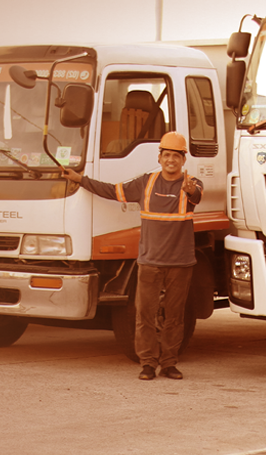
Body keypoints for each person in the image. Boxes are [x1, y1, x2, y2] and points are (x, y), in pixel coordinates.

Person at [62, 132, 202, 380]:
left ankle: (169, 363)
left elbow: (196, 196)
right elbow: (112, 191)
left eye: (176, 156)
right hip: (150, 262)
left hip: (180, 263)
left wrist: (192, 191)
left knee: (174, 317)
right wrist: (80, 179)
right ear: (159, 157)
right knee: (144, 315)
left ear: (183, 159)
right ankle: (147, 363)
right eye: (167, 155)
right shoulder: (145, 183)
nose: (171, 160)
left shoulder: (192, 184)